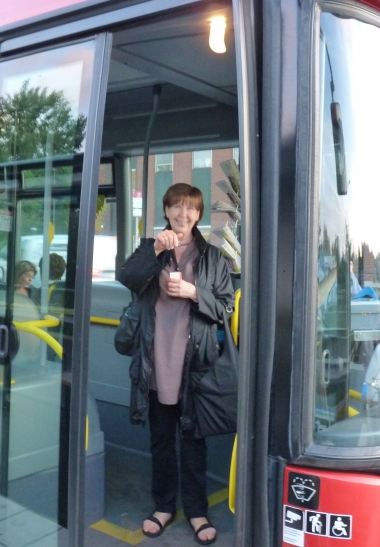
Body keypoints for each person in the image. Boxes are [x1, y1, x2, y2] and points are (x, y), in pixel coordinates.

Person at [118, 183, 234, 546]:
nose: (184, 214)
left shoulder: (212, 257)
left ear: (198, 215)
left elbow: (226, 307)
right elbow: (128, 278)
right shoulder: (151, 249)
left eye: (191, 209)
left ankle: (197, 510)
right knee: (162, 441)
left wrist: (194, 293)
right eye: (177, 207)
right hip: (155, 363)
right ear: (166, 210)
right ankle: (164, 506)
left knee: (193, 444)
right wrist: (155, 249)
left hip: (194, 366)